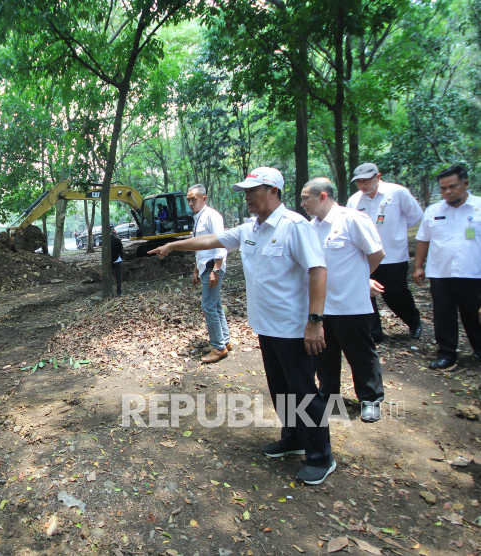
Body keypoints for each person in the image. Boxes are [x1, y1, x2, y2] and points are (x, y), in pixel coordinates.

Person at [150, 167, 334, 485]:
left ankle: (321, 456)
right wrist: (173, 246)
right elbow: (211, 239)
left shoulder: (295, 227)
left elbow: (318, 271)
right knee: (280, 389)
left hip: (294, 329)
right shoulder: (251, 229)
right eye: (245, 191)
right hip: (266, 326)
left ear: (273, 191)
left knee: (304, 393)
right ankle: (293, 438)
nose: (246, 197)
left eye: (253, 191)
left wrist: (315, 322)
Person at [302, 178, 386, 422]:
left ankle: (371, 399)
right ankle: (329, 395)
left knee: (359, 352)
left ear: (323, 196)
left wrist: (361, 278)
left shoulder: (352, 220)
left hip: (350, 303)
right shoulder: (311, 226)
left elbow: (376, 253)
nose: (303, 203)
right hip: (321, 305)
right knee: (324, 354)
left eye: (306, 198)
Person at [413, 165, 481, 369]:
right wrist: (418, 267)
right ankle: (447, 354)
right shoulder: (434, 211)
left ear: (466, 184)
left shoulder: (479, 207)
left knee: (474, 315)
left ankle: (478, 349)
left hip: (474, 273)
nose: (447, 192)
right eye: (443, 188)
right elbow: (423, 240)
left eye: (452, 186)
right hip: (441, 273)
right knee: (443, 315)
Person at [347, 163, 423, 342]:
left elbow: (416, 216)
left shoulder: (397, 193)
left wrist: (396, 231)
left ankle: (414, 321)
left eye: (366, 180)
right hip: (365, 256)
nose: (363, 185)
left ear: (378, 176)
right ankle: (374, 333)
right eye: (359, 182)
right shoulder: (354, 201)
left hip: (393, 255)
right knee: (366, 292)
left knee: (395, 293)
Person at [187, 183, 232, 364]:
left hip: (213, 267)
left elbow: (221, 242)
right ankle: (225, 341)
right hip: (204, 266)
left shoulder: (213, 216)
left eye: (194, 199)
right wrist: (196, 270)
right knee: (216, 304)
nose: (190, 203)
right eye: (188, 200)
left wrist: (216, 270)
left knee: (208, 306)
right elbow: (199, 246)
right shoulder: (198, 217)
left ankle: (218, 347)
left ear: (204, 199)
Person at [110, 229, 124, 296]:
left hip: (109, 260)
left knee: (110, 276)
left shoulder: (105, 241)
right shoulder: (116, 240)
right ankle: (119, 292)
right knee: (118, 276)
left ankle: (110, 292)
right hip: (117, 259)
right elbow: (121, 248)